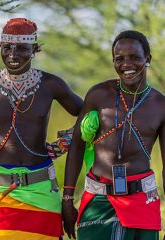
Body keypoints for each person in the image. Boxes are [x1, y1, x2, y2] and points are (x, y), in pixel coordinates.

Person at [0, 18, 83, 240]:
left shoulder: (51, 85)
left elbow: (90, 115)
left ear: (35, 49)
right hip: (0, 193)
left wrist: (62, 145)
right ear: (0, 48)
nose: (13, 54)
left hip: (43, 190)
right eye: (7, 47)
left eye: (22, 48)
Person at [62, 30, 165, 239]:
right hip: (98, 200)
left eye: (134, 57)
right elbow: (77, 145)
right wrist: (67, 199)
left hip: (142, 200)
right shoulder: (99, 95)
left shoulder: (160, 104)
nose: (127, 64)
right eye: (119, 59)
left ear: (148, 59)